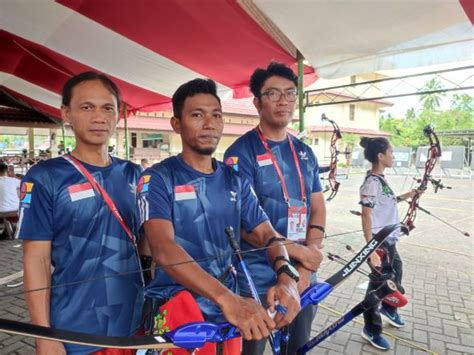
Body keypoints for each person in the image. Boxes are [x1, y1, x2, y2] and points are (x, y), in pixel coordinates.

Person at [137, 79, 303, 354]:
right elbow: (163, 249)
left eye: (216, 115)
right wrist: (229, 300)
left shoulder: (234, 180)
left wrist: (287, 278)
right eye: (197, 115)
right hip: (179, 315)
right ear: (176, 124)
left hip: (228, 318)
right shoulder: (156, 178)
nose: (209, 123)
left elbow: (267, 234)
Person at [16, 72, 144, 355]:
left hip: (136, 325)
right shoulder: (44, 177)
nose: (99, 117)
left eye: (107, 108)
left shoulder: (135, 174)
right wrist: (43, 334)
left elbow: (149, 245)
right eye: (87, 107)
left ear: (117, 115)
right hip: (76, 329)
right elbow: (36, 259)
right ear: (67, 113)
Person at [224, 62, 325, 354]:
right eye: (273, 94)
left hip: (303, 273)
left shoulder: (304, 152)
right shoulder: (240, 154)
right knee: (252, 350)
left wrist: (307, 263)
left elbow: (317, 208)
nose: (283, 101)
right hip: (256, 279)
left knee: (298, 346)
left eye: (290, 93)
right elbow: (246, 226)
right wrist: (303, 254)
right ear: (257, 102)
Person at [358, 137, 420, 350]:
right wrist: (371, 250)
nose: (393, 156)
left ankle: (389, 308)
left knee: (397, 269)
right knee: (377, 286)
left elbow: (387, 203)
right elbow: (366, 216)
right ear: (380, 156)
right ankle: (371, 329)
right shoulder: (371, 183)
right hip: (378, 243)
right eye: (391, 152)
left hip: (388, 240)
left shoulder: (380, 181)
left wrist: (410, 195)